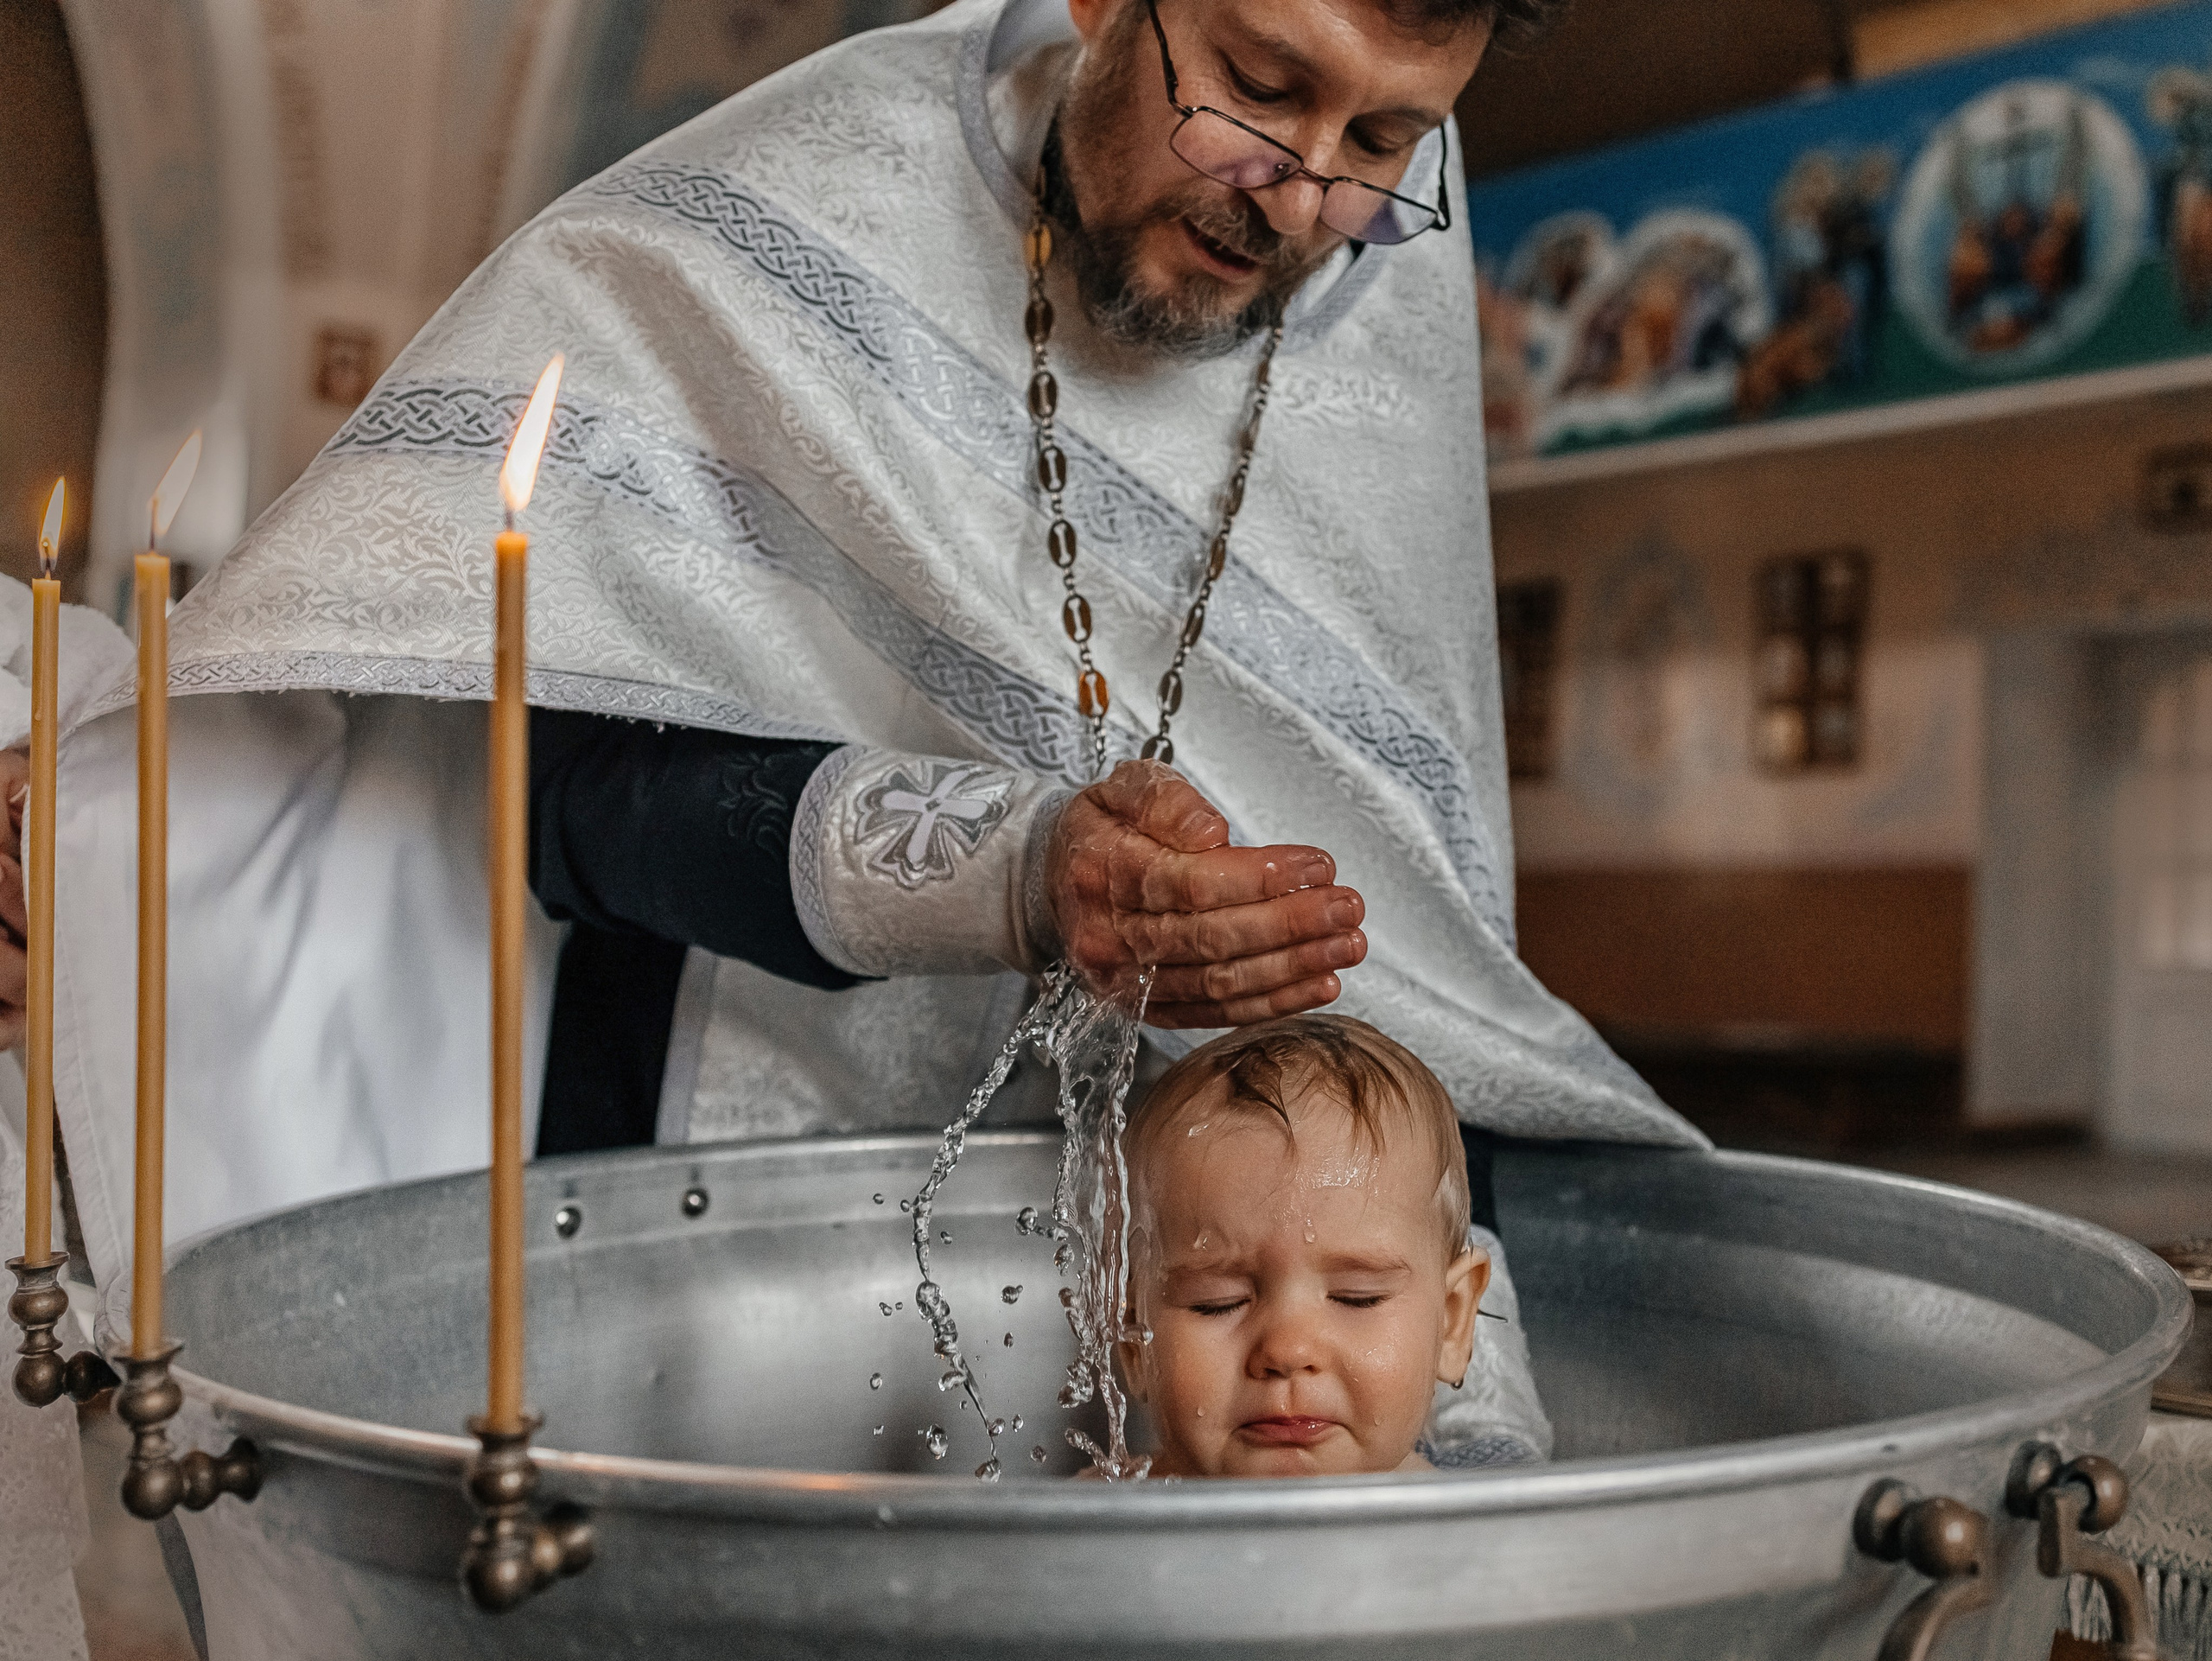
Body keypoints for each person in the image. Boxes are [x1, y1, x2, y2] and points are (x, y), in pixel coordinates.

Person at [9, 0, 1708, 1492]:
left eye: (1386, 140)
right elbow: (561, 801)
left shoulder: (1383, 300)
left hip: (1205, 1362)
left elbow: (1422, 955)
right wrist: (1009, 869)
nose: (1302, 196)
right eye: (1261, 86)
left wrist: (1465, 1487)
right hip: (697, 1269)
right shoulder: (769, 229)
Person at [1115, 1014, 1505, 1478]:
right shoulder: (1104, 1511)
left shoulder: (1473, 1515)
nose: (1287, 1351)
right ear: (1134, 1337)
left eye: (1357, 1298)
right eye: (1218, 1303)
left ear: (1451, 1322)